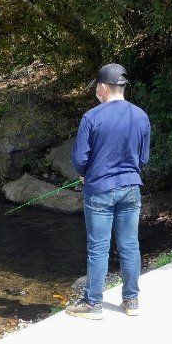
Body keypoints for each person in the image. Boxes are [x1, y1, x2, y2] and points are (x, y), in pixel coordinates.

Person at [66, 63, 150, 319]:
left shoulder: (91, 117)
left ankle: (93, 305)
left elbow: (80, 158)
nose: (96, 91)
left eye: (96, 88)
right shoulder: (141, 116)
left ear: (103, 87)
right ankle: (131, 301)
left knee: (99, 247)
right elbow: (143, 159)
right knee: (129, 245)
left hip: (100, 190)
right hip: (131, 188)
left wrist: (83, 174)